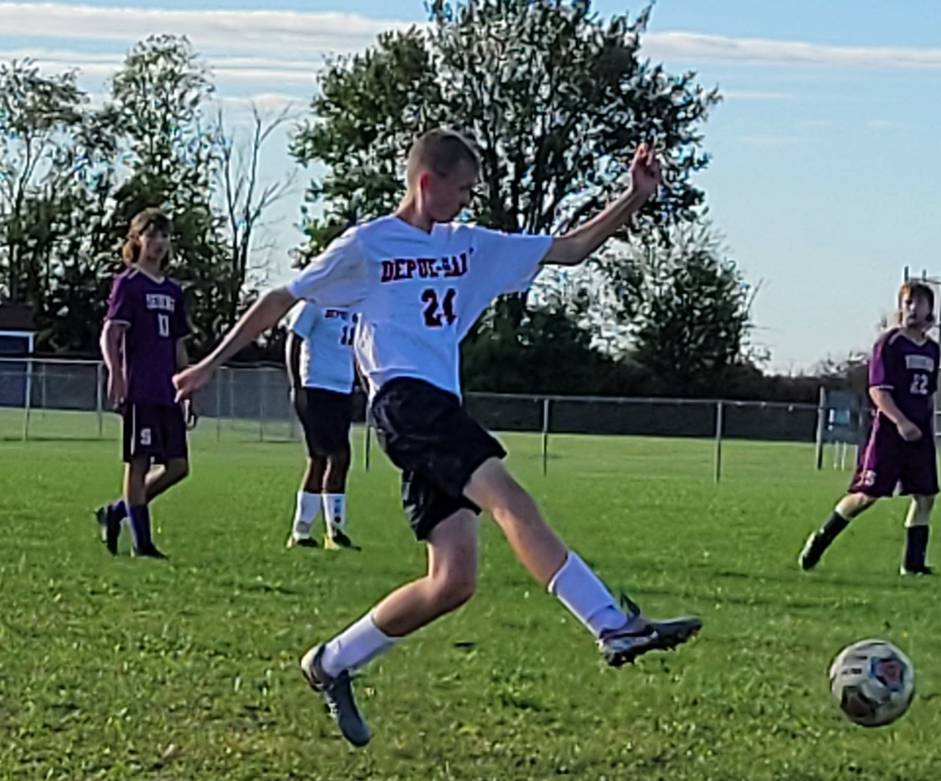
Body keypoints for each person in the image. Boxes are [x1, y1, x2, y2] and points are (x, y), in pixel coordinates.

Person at [174, 128, 701, 747]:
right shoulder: (367, 246)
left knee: (453, 581)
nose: (469, 201)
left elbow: (572, 249)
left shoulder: (470, 246)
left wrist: (632, 198)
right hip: (405, 401)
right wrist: (209, 364)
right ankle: (611, 625)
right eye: (462, 188)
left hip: (435, 407)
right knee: (511, 499)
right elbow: (277, 299)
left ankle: (332, 662)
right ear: (428, 183)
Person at [799, 280, 941, 576]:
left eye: (919, 303)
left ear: (930, 309)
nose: (912, 309)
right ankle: (820, 539)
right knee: (867, 495)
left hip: (920, 433)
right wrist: (901, 422)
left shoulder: (932, 349)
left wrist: (924, 426)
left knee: (925, 495)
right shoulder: (889, 344)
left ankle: (912, 565)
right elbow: (878, 390)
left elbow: (927, 393)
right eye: (907, 303)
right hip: (890, 431)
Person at [95, 208, 194, 559]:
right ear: (137, 240)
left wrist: (188, 385)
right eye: (151, 235)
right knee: (137, 462)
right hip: (140, 388)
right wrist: (116, 373)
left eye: (164, 236)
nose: (158, 243)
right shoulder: (128, 283)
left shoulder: (173, 290)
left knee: (178, 467)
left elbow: (179, 343)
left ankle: (117, 512)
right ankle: (143, 543)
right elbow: (111, 333)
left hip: (167, 391)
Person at [284, 299, 360, 549]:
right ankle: (310, 532)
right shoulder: (314, 302)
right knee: (330, 456)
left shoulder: (355, 304)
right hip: (316, 387)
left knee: (332, 459)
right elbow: (293, 341)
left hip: (342, 389)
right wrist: (296, 385)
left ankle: (323, 531)